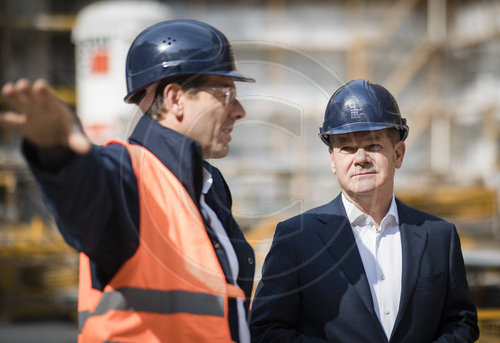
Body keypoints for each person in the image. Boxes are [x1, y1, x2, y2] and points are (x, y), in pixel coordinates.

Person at [0, 19, 256, 342]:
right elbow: (87, 194)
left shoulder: (208, 186)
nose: (239, 110)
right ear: (175, 98)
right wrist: (58, 156)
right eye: (225, 93)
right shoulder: (127, 175)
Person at [249, 79, 479, 342]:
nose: (360, 158)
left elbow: (461, 323)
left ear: (398, 154)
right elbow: (267, 330)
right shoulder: (297, 238)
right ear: (332, 159)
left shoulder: (439, 236)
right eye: (347, 148)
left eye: (373, 146)